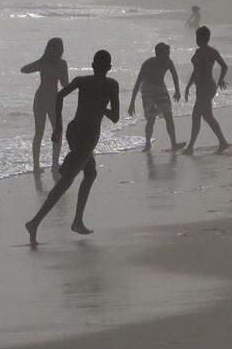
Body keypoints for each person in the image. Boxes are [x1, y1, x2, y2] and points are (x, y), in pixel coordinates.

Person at [25, 50, 119, 246]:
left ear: (92, 65)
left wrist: (58, 126)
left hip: (73, 131)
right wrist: (101, 108)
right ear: (109, 68)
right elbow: (116, 116)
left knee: (90, 173)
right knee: (65, 182)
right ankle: (34, 222)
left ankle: (77, 221)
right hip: (88, 137)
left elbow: (59, 96)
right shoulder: (111, 85)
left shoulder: (82, 80)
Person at [20, 38, 69, 172]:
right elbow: (65, 84)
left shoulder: (44, 62)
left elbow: (24, 69)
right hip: (52, 98)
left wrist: (41, 63)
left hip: (41, 96)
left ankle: (39, 165)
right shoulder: (61, 64)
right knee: (56, 130)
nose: (63, 50)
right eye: (62, 48)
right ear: (58, 49)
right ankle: (52, 164)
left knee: (40, 132)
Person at [183, 26, 230, 154]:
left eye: (199, 38)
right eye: (197, 38)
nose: (197, 40)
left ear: (206, 38)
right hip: (201, 88)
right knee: (208, 116)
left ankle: (190, 147)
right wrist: (188, 86)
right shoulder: (198, 52)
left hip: (208, 87)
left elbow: (224, 66)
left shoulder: (212, 52)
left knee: (196, 115)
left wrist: (220, 80)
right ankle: (223, 142)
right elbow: (195, 71)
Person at [129, 43, 184, 153]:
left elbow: (174, 75)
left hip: (160, 88)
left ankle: (174, 143)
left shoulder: (168, 62)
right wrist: (132, 102)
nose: (168, 56)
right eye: (166, 54)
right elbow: (138, 82)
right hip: (147, 90)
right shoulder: (148, 63)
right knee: (151, 118)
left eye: (168, 53)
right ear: (158, 54)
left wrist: (177, 90)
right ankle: (147, 144)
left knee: (168, 116)